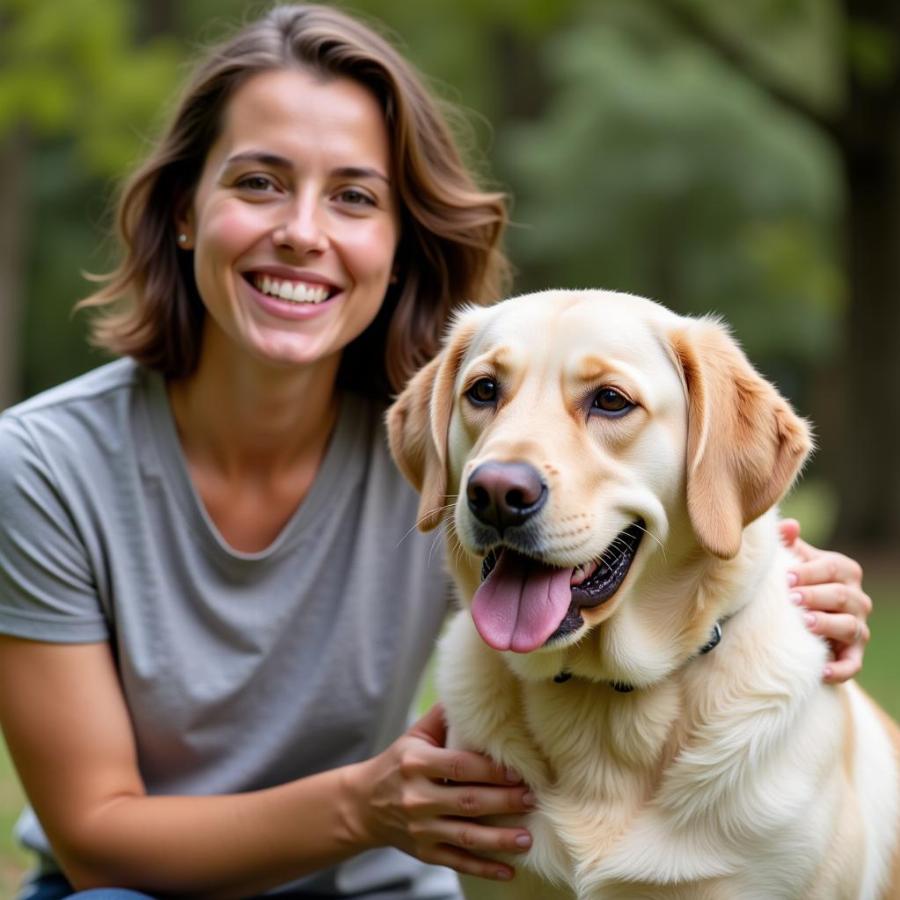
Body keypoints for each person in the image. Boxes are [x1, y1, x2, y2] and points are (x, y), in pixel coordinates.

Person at [0, 5, 872, 899]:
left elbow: (673, 537)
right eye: (258, 182)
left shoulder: (452, 440)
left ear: (397, 242)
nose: (303, 230)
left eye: (353, 196)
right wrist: (365, 808)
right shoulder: (43, 464)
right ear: (185, 212)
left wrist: (787, 593)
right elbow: (96, 837)